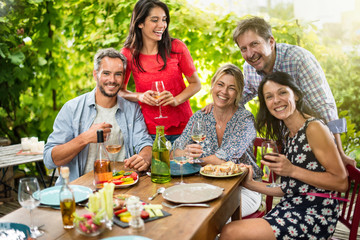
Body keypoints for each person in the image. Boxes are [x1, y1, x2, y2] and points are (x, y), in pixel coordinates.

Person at [203, 16, 355, 167]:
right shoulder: (249, 68)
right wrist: (217, 104)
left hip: (317, 137)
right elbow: (240, 97)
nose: (250, 54)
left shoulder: (299, 60)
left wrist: (339, 152)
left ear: (270, 41)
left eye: (254, 44)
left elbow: (325, 106)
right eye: (244, 49)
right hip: (288, 141)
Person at [220, 72, 348, 240]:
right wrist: (249, 183)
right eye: (269, 96)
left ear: (295, 94)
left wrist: (292, 170)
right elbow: (289, 188)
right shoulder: (289, 134)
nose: (276, 100)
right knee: (228, 229)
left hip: (316, 215)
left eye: (282, 92)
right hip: (291, 206)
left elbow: (341, 182)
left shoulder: (314, 128)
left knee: (231, 232)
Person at [44, 48, 153, 185]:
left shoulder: (132, 109)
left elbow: (145, 144)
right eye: (106, 73)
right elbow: (50, 159)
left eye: (118, 74)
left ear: (124, 77)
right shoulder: (72, 108)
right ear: (95, 75)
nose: (112, 80)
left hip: (122, 186)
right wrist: (85, 138)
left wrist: (144, 158)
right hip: (81, 191)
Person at [175, 64, 262, 217]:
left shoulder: (245, 120)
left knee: (211, 217)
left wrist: (193, 160)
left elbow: (223, 160)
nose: (224, 92)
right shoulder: (200, 117)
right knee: (182, 211)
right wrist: (185, 152)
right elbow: (175, 153)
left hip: (244, 188)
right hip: (206, 186)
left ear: (238, 93)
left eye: (231, 88)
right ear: (213, 85)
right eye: (220, 84)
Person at [119, 0, 201, 143]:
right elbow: (120, 91)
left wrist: (176, 100)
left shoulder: (177, 47)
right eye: (154, 20)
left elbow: (196, 84)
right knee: (156, 166)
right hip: (150, 131)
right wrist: (140, 96)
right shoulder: (128, 53)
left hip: (183, 129)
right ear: (140, 23)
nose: (162, 25)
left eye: (164, 20)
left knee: (184, 165)